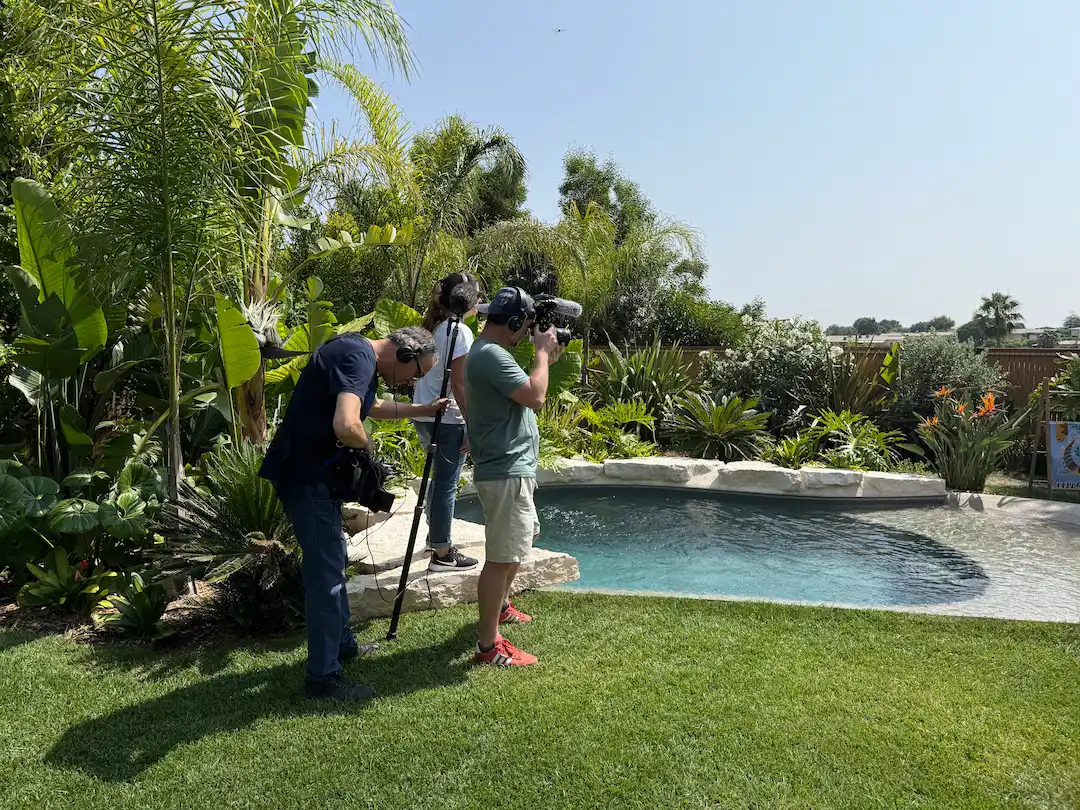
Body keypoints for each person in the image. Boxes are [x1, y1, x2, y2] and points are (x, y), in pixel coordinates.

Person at [259, 326, 447, 701]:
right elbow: (347, 424)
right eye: (417, 373)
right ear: (405, 354)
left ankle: (342, 646)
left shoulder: (356, 354)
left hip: (310, 477)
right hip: (307, 479)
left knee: (334, 560)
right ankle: (323, 678)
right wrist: (368, 444)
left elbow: (369, 406)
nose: (412, 382)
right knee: (326, 575)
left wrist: (421, 410)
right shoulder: (358, 357)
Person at [465, 287, 563, 667]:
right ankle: (488, 647)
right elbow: (535, 396)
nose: (526, 334)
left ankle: (501, 607)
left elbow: (523, 391)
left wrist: (546, 356)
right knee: (501, 558)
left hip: (512, 469)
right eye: (525, 327)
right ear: (514, 322)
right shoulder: (490, 354)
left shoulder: (490, 353)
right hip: (505, 470)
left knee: (519, 543)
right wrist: (542, 353)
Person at [412, 272, 481, 572]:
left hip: (425, 413)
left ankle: (435, 538)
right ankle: (442, 552)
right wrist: (473, 424)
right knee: (446, 484)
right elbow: (460, 384)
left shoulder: (439, 327)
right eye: (477, 294)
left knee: (439, 479)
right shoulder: (459, 331)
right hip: (448, 417)